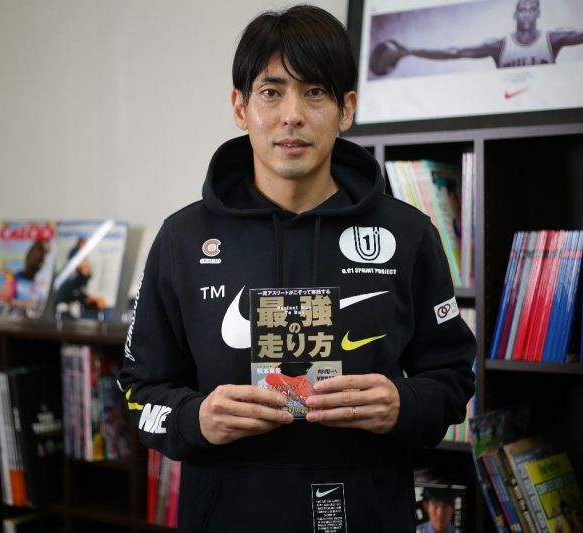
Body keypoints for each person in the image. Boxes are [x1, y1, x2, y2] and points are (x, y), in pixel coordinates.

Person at [117, 5, 476, 532]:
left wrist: (403, 403)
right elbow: (138, 390)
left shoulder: (408, 234)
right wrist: (196, 418)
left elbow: (453, 379)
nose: (292, 115)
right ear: (240, 107)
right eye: (271, 91)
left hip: (367, 516)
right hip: (227, 516)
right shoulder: (182, 240)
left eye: (315, 92)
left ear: (346, 109)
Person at [370, 0, 583, 74]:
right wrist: (407, 51)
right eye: (523, 8)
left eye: (532, 8)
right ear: (516, 13)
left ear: (538, 13)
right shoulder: (500, 45)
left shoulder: (553, 39)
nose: (527, 13)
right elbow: (454, 52)